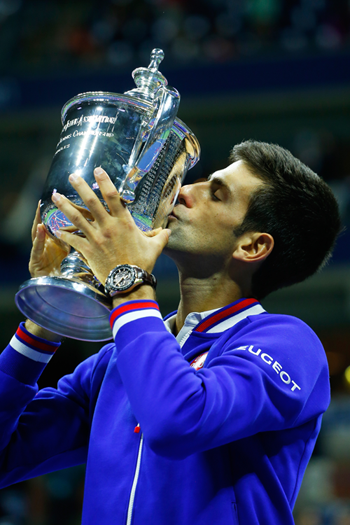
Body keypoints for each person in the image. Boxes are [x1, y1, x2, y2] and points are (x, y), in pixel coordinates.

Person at [0, 140, 341, 525]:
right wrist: (47, 314)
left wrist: (129, 284)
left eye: (215, 194)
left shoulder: (288, 343)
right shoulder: (115, 361)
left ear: (252, 245)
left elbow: (179, 420)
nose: (182, 191)